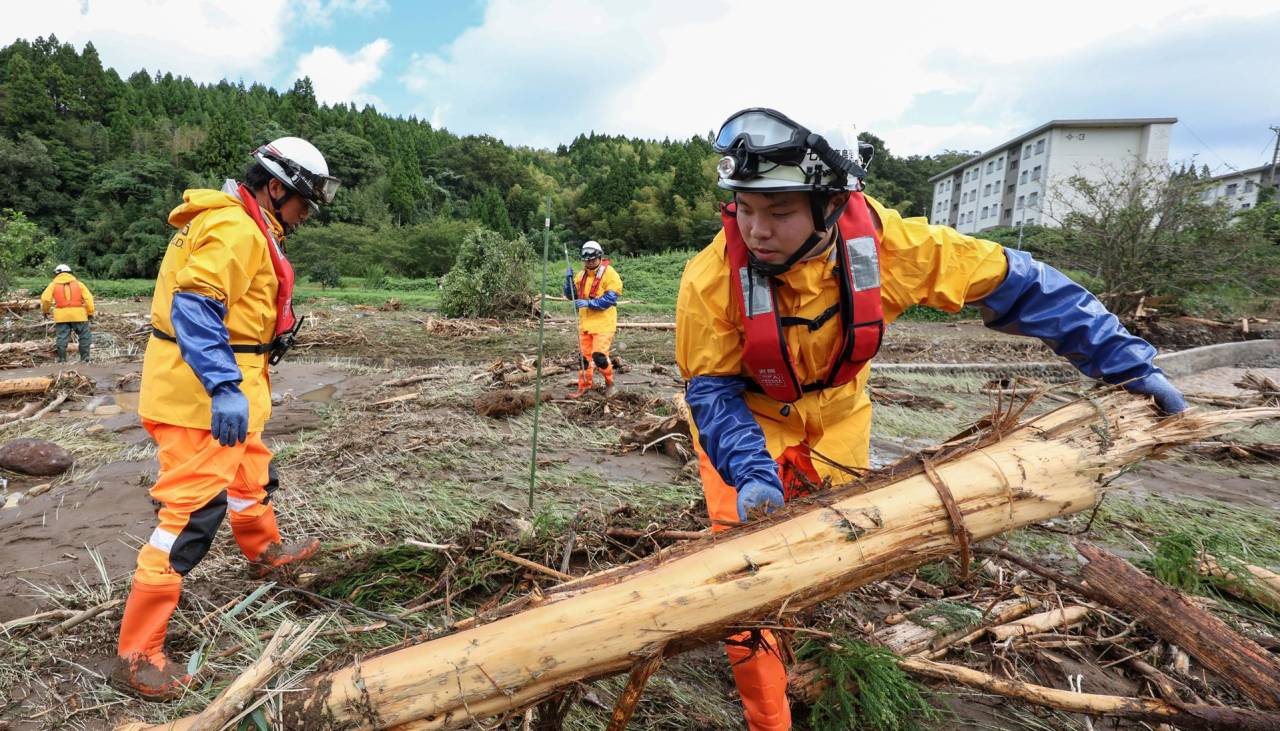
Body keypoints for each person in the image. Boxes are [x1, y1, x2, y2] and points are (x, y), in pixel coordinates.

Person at [675, 108, 1188, 731]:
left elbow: (1020, 283)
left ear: (834, 204)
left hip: (839, 413)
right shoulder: (711, 278)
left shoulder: (893, 249)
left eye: (779, 211)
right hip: (748, 419)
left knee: (828, 552)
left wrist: (1120, 358)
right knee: (748, 573)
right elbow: (712, 390)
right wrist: (750, 469)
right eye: (746, 208)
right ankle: (771, 720)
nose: (757, 229)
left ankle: (812, 662)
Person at [114, 137, 340, 700]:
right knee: (190, 516)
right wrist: (222, 386)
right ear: (275, 189)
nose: (305, 217)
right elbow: (194, 306)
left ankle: (264, 551)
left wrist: (236, 389)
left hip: (230, 394)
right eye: (302, 205)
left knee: (250, 477)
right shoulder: (236, 230)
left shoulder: (241, 222)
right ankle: (139, 651)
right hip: (200, 401)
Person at [563, 240, 623, 397]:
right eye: (586, 259)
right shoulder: (580, 275)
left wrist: (589, 303)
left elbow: (609, 299)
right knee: (584, 359)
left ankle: (610, 383)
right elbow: (571, 296)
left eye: (592, 258)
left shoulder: (610, 274)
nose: (589, 261)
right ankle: (584, 387)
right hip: (585, 324)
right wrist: (568, 283)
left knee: (599, 357)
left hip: (604, 324)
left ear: (599, 257)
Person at [40, 264, 95, 363]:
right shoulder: (79, 284)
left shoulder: (53, 285)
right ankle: (85, 359)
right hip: (79, 315)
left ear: (57, 273)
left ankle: (62, 360)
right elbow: (89, 299)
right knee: (84, 336)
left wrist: (45, 311)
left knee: (62, 337)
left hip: (61, 316)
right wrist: (90, 312)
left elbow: (45, 299)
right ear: (70, 272)